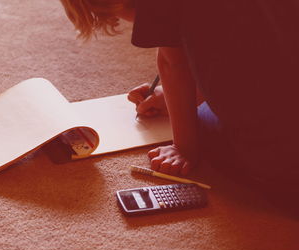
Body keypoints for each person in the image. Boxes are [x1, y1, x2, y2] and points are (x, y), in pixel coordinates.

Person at [59, 1, 299, 196]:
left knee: (202, 124)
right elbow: (246, 53)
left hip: (285, 162)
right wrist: (176, 96)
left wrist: (184, 148)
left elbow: (175, 64)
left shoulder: (158, 6)